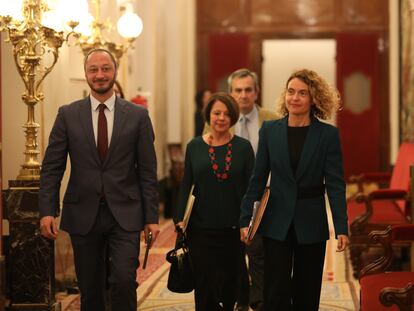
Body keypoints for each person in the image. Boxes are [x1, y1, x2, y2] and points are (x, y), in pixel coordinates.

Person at [39, 48, 160, 311]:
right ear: (85, 74)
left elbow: (148, 171)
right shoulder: (68, 115)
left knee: (124, 280)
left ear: (115, 72)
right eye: (93, 69)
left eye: (105, 68)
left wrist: (151, 217)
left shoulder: (138, 116)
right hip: (83, 213)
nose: (100, 74)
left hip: (125, 213)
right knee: (90, 287)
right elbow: (52, 167)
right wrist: (47, 210)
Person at [240, 68, 349, 311]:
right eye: (291, 92)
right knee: (275, 290)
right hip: (276, 220)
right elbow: (257, 178)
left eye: (302, 93)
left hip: (311, 220)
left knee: (306, 290)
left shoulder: (327, 135)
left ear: (313, 99)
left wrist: (341, 227)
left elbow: (335, 184)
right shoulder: (270, 130)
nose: (295, 98)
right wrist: (245, 217)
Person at [175, 92, 255, 311]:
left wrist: (247, 221)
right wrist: (180, 218)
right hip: (200, 227)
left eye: (227, 114)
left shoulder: (243, 148)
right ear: (208, 116)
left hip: (233, 227)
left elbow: (251, 189)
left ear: (233, 117)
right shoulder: (194, 147)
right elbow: (186, 184)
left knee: (230, 281)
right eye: (216, 113)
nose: (221, 118)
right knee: (204, 282)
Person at [228, 68, 278, 311]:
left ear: (256, 92)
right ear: (230, 93)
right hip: (230, 197)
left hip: (263, 196)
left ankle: (259, 300)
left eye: (248, 90)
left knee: (258, 251)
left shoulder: (272, 118)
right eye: (238, 90)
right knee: (235, 253)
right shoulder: (219, 118)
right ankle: (241, 297)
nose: (243, 95)